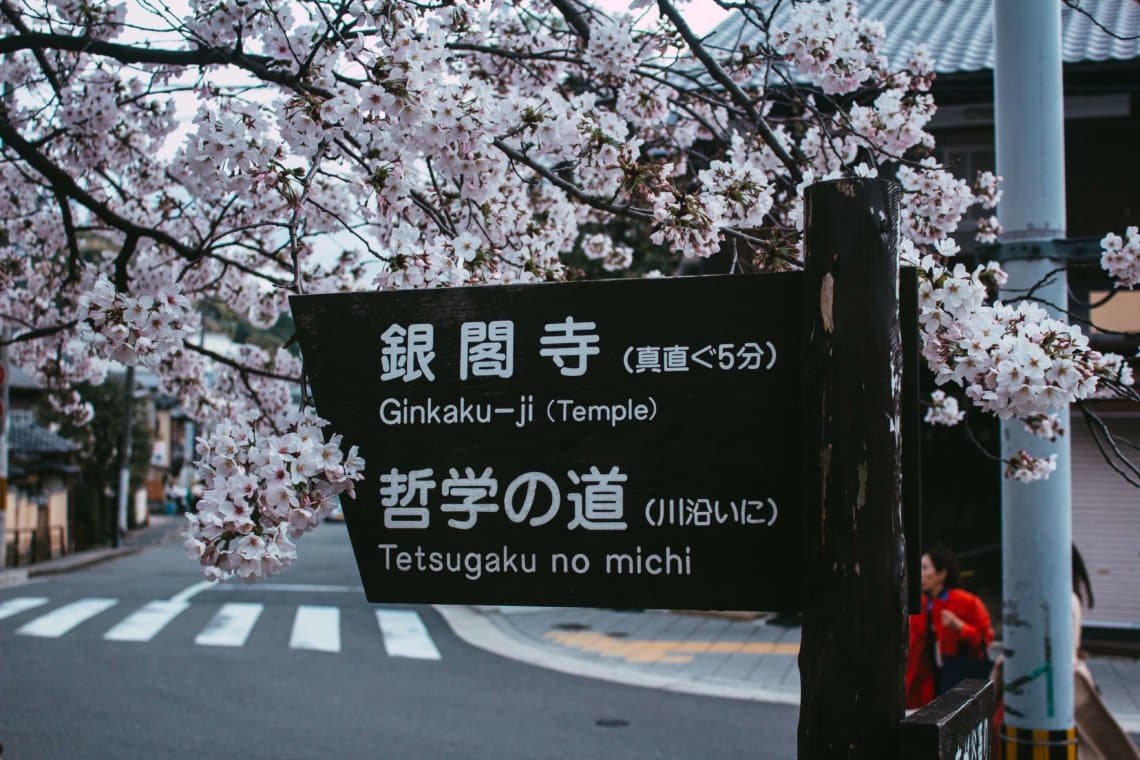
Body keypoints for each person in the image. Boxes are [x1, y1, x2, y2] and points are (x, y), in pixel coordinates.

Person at [906, 542, 995, 709]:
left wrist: (960, 627)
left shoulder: (967, 602)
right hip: (923, 686)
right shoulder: (920, 605)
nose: (921, 574)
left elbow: (984, 641)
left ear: (942, 574)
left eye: (925, 568)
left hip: (958, 682)